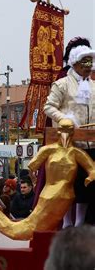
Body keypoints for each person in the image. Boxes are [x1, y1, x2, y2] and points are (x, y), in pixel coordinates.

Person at [44, 44, 95, 227]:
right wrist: (65, 118)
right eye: (85, 62)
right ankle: (66, 222)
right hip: (69, 143)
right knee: (67, 183)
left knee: (86, 184)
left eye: (91, 62)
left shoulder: (93, 86)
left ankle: (80, 222)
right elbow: (49, 107)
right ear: (74, 63)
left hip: (90, 143)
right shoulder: (62, 84)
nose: (89, 66)